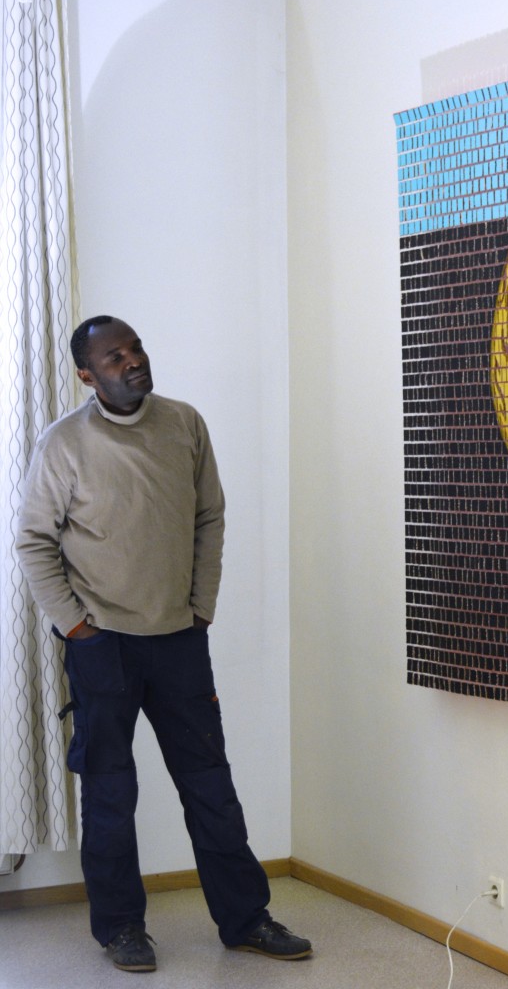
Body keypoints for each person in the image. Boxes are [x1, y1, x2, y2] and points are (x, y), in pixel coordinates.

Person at [15, 316, 311, 973]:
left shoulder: (184, 424)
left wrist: (201, 606)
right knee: (110, 794)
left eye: (136, 348)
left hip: (179, 640)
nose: (133, 361)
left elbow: (210, 515)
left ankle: (246, 919)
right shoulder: (63, 443)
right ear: (87, 375)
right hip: (103, 647)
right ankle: (122, 928)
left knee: (210, 785)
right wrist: (77, 627)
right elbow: (34, 541)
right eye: (113, 357)